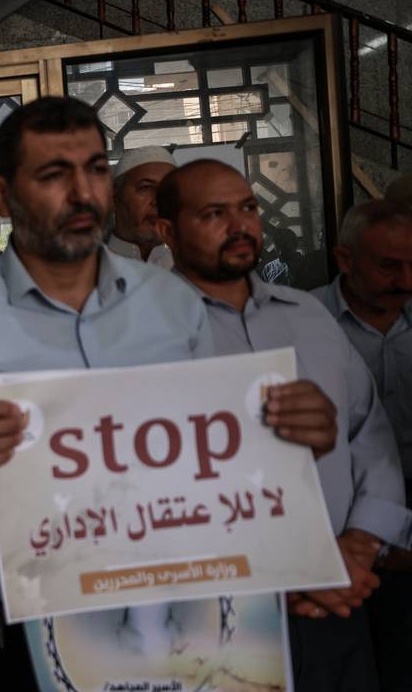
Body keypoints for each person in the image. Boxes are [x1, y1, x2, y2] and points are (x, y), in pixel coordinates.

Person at [0, 98, 219, 688]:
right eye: (52, 175)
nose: (83, 193)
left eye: (95, 169)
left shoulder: (172, 304)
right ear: (2, 197)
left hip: (166, 609)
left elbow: (217, 458)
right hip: (22, 628)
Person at [157, 160, 410, 692]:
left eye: (248, 207)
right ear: (167, 232)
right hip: (219, 616)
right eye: (214, 213)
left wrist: (357, 548)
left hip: (338, 595)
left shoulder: (307, 316)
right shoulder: (139, 334)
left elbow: (370, 436)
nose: (240, 224)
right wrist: (289, 573)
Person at [310, 200, 412, 690]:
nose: (406, 279)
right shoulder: (304, 323)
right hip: (337, 527)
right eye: (390, 266)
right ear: (345, 260)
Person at [106, 145, 176, 269]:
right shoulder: (86, 272)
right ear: (113, 198)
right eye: (146, 188)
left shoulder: (191, 275)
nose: (160, 200)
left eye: (169, 189)